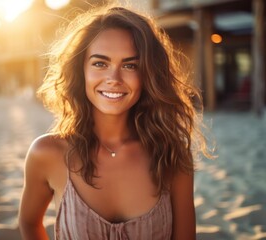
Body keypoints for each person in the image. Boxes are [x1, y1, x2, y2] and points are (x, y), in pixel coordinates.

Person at [19, 4, 211, 240]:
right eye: (100, 63)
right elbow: (29, 223)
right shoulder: (47, 153)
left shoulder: (171, 156)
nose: (114, 79)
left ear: (147, 75)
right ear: (81, 70)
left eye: (130, 65)